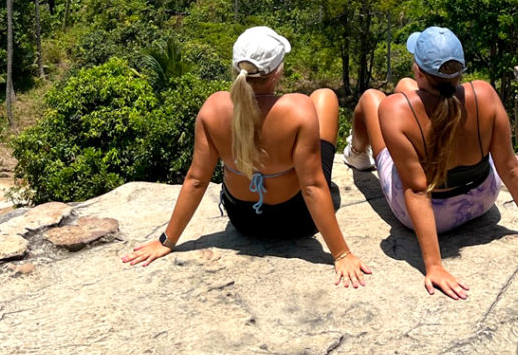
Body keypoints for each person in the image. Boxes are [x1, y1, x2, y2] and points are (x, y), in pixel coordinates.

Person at [123, 26, 370, 286]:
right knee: (325, 97)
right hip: (297, 221)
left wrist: (167, 241)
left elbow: (196, 179)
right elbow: (311, 186)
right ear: (277, 72)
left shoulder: (213, 107)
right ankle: (356, 153)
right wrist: (341, 254)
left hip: (243, 220)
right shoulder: (297, 108)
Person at [343, 26, 518, 299]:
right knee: (405, 88)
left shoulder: (393, 110)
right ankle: (359, 152)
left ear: (419, 69)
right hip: (481, 199)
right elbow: (509, 166)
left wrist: (434, 265)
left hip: (433, 213)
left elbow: (417, 190)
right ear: (459, 71)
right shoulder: (484, 94)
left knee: (372, 98)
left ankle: (357, 155)